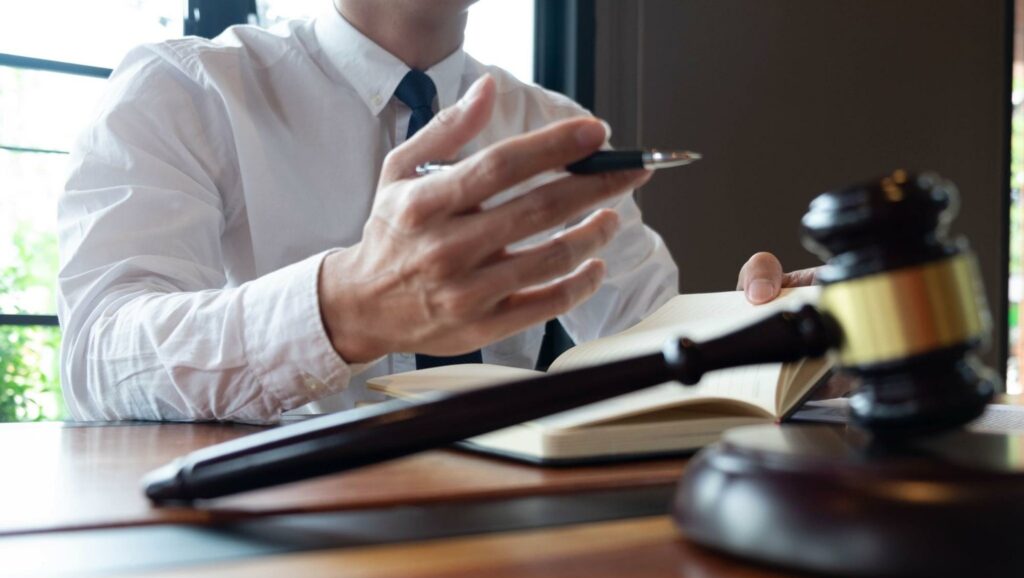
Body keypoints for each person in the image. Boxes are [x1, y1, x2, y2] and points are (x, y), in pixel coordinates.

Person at [57, 0, 806, 424]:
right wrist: (342, 309)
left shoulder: (555, 126)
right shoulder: (184, 91)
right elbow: (97, 355)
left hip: (513, 553)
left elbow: (651, 343)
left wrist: (782, 341)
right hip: (252, 566)